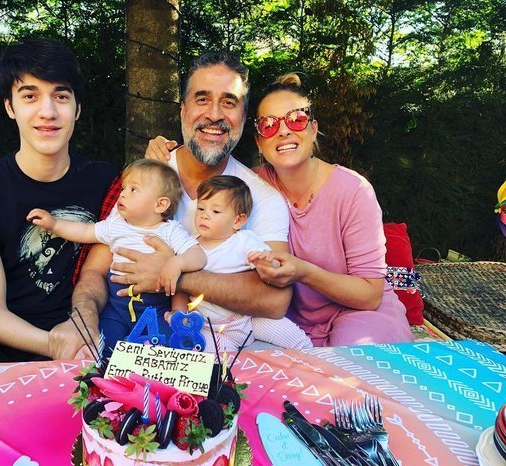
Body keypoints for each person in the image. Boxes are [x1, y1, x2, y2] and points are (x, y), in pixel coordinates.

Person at [53, 51, 293, 359]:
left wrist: (173, 275)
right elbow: (95, 272)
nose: (214, 114)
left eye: (229, 102)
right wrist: (84, 318)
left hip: (221, 342)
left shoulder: (262, 198)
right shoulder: (148, 178)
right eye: (202, 99)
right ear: (183, 108)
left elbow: (275, 301)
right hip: (135, 332)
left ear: (244, 116)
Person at [0, 39, 118, 365]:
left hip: (87, 331)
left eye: (61, 96)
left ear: (77, 108)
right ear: (10, 106)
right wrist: (57, 346)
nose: (48, 112)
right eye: (30, 96)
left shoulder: (109, 183)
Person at [247, 73, 414, 346]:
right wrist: (170, 156)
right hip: (286, 324)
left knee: (349, 366)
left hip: (360, 313)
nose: (283, 131)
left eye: (296, 119)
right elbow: (201, 185)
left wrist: (303, 272)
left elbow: (370, 294)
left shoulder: (353, 190)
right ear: (259, 142)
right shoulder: (250, 184)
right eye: (269, 124)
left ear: (313, 129)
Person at [26, 158, 206, 353]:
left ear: (160, 204)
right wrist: (54, 224)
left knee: (168, 348)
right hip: (116, 308)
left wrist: (177, 263)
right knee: (101, 346)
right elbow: (85, 231)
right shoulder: (116, 225)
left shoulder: (170, 231)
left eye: (133, 189)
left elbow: (198, 256)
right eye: (123, 188)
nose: (123, 194)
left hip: (155, 309)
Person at [190, 175, 313, 351]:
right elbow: (180, 285)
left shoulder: (243, 240)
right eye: (201, 208)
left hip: (249, 319)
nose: (204, 215)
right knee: (213, 353)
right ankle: (233, 368)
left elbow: (273, 266)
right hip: (209, 327)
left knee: (290, 335)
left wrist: (266, 263)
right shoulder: (190, 245)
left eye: (215, 211)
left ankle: (313, 356)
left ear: (238, 221)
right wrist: (178, 313)